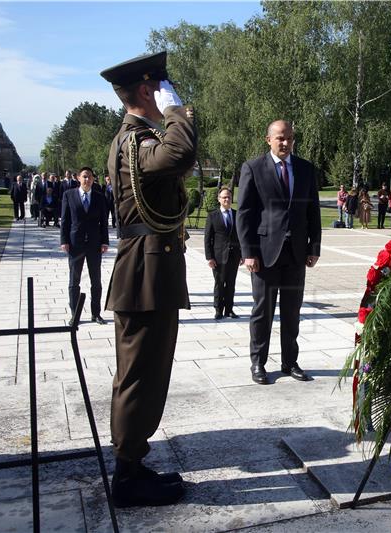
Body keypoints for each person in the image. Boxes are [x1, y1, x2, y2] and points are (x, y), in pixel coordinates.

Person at [101, 50, 196, 507]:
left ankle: (133, 463)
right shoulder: (136, 141)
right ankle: (127, 476)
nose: (167, 95)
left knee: (147, 373)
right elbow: (179, 152)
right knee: (140, 375)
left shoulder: (136, 140)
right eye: (161, 87)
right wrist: (178, 112)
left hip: (149, 268)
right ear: (146, 90)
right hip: (144, 272)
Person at [237, 119, 322, 385]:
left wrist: (314, 247)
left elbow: (313, 211)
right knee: (262, 311)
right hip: (264, 254)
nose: (285, 143)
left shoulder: (306, 169)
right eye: (280, 138)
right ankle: (258, 363)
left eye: (289, 138)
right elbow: (245, 214)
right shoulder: (253, 168)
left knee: (292, 311)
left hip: (296, 253)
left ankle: (289, 362)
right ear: (268, 140)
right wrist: (248, 252)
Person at [60, 167, 109, 325]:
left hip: (94, 244)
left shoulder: (99, 197)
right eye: (85, 177)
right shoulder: (69, 195)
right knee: (74, 281)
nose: (87, 180)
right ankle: (75, 315)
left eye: (90, 177)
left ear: (93, 179)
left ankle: (96, 314)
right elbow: (65, 220)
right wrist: (64, 241)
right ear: (78, 178)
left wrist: (105, 241)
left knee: (96, 281)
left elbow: (104, 222)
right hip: (76, 244)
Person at [204, 186, 242, 320]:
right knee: (219, 283)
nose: (227, 199)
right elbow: (207, 238)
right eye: (224, 197)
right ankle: (218, 309)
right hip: (218, 257)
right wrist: (209, 257)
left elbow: (241, 236)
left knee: (231, 284)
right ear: (219, 199)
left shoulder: (237, 215)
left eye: (229, 197)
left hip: (234, 256)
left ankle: (229, 310)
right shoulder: (212, 216)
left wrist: (242, 254)